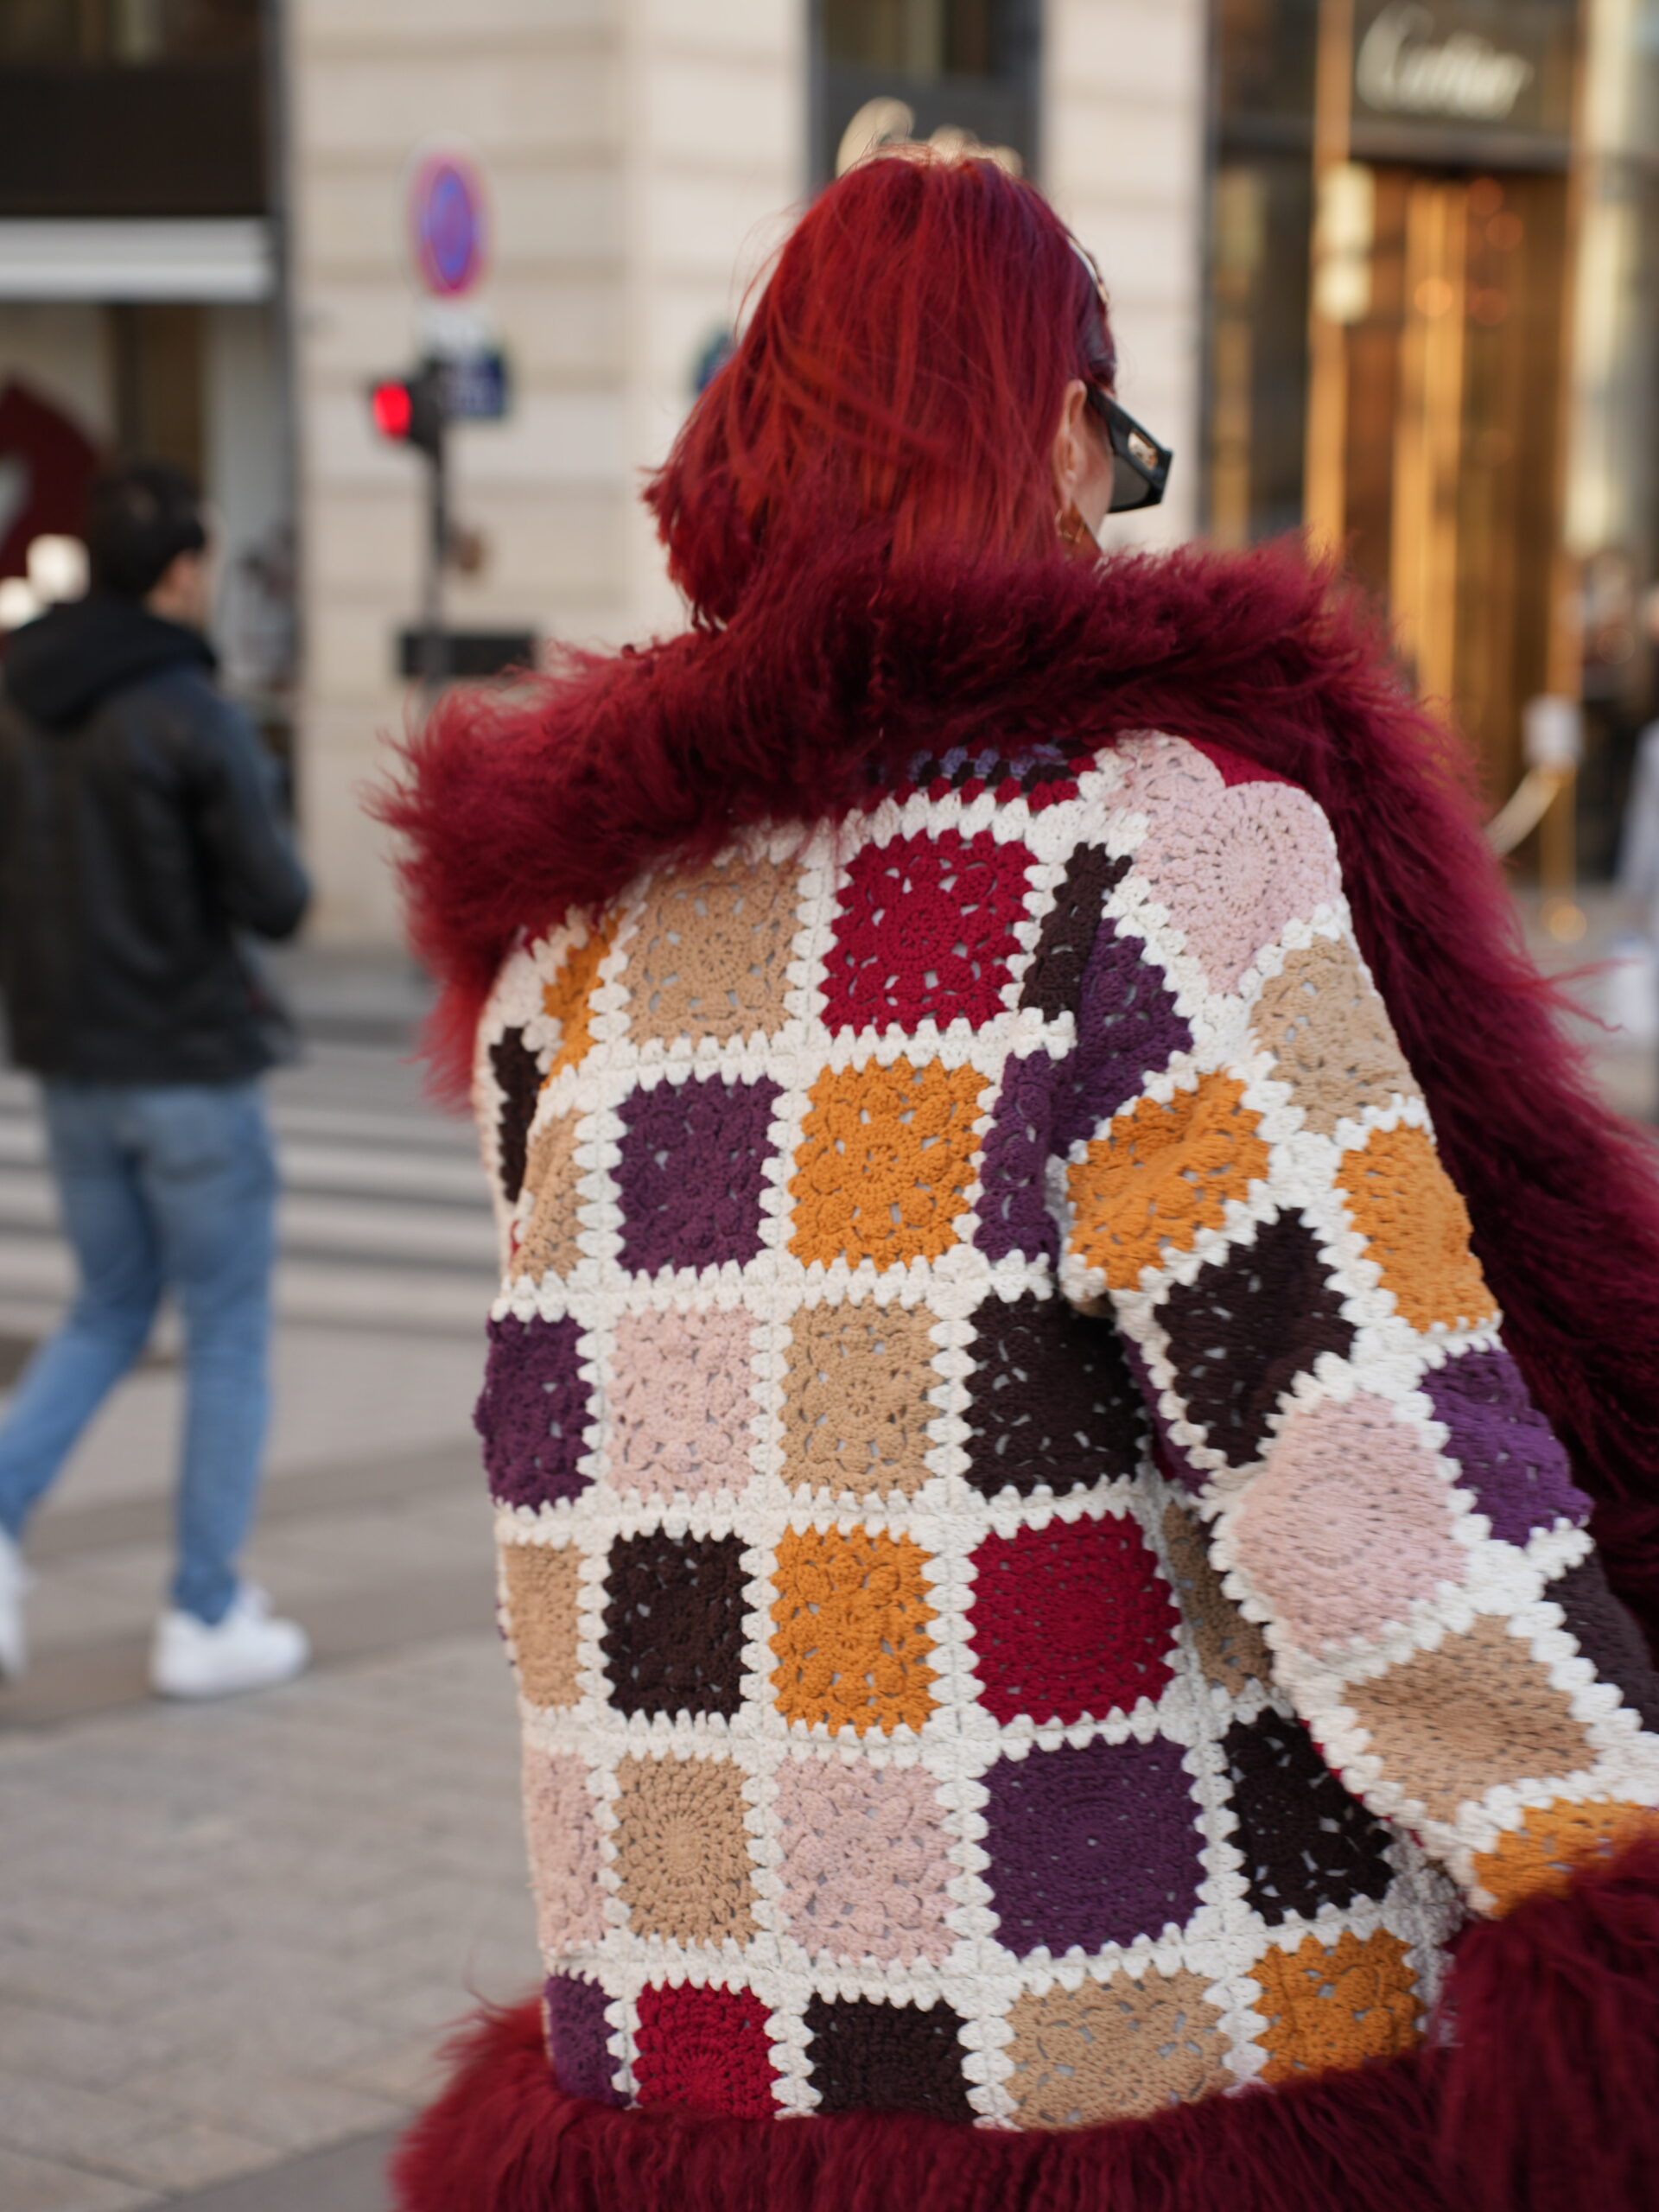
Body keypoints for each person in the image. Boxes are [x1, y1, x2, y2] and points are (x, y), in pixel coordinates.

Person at [379, 154, 1659, 2211]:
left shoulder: (572, 943)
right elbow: (1361, 1462)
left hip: (694, 2040)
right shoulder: (1145, 849)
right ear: (1050, 424)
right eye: (1109, 427)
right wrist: (1611, 1870)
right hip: (1135, 2051)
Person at [0, 461, 311, 1699]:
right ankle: (203, 1610)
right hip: (186, 1062)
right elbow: (278, 900)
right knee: (227, 1329)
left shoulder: (16, 697)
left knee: (107, 1307)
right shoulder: (187, 706)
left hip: (69, 1063)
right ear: (182, 571)